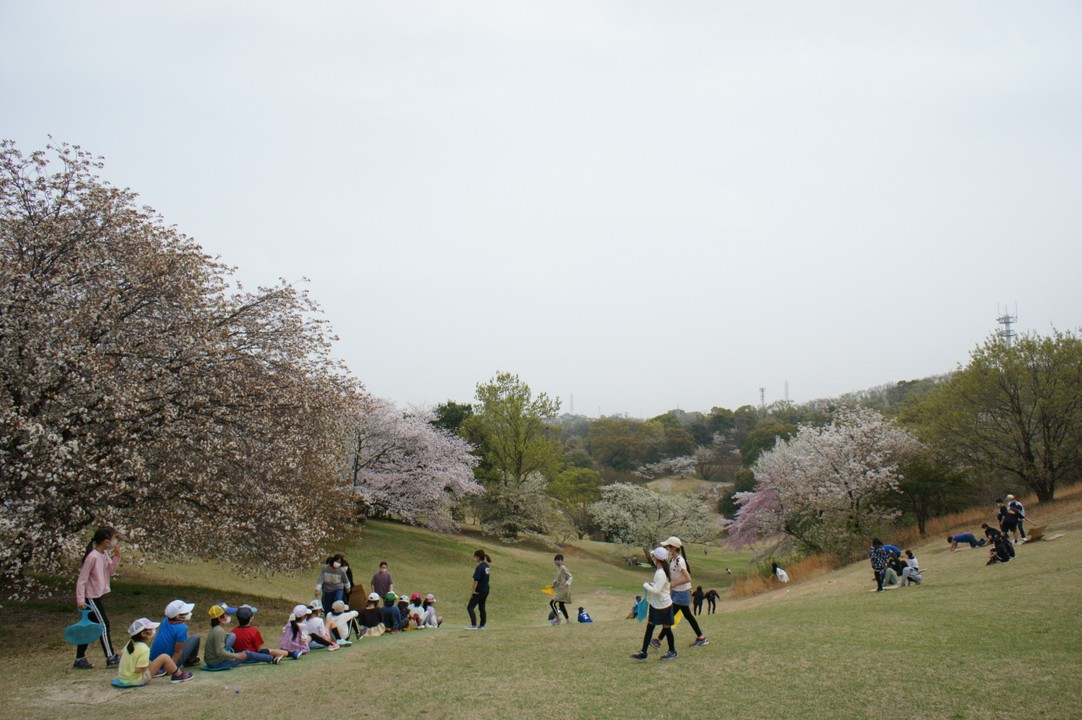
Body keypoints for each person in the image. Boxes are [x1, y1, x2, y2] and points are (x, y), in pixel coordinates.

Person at [74, 526, 122, 669]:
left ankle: (79, 658)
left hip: (97, 596)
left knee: (89, 627)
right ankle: (110, 656)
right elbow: (82, 579)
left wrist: (116, 556)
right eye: (114, 538)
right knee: (103, 625)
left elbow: (111, 571)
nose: (115, 541)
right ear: (106, 541)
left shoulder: (103, 554)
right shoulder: (93, 557)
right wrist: (80, 600)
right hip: (90, 598)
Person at [651, 537, 707, 647]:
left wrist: (674, 584)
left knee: (669, 616)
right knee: (687, 616)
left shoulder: (679, 561)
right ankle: (701, 637)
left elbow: (688, 578)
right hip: (678, 593)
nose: (665, 548)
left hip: (682, 593)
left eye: (667, 546)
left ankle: (658, 640)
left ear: (673, 548)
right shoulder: (672, 560)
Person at [631, 547, 677, 660]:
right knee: (652, 627)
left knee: (666, 628)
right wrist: (652, 584)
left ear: (656, 558)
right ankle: (644, 652)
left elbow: (657, 590)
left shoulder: (660, 573)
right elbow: (660, 586)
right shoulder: (662, 571)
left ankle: (672, 651)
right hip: (658, 604)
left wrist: (646, 585)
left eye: (653, 557)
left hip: (663, 606)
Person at [115, 618, 192, 686]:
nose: (153, 630)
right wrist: (151, 668)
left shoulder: (129, 644)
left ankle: (162, 671)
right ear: (143, 634)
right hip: (137, 679)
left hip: (124, 678)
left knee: (151, 661)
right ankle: (178, 675)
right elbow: (140, 669)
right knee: (164, 657)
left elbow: (122, 656)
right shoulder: (144, 648)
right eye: (150, 629)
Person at [204, 604, 270, 669]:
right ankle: (271, 658)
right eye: (226, 615)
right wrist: (237, 656)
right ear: (219, 618)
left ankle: (270, 658)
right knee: (247, 654)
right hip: (218, 663)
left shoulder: (214, 629)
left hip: (211, 662)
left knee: (232, 636)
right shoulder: (219, 631)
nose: (228, 616)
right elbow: (220, 652)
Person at [149, 600, 202, 669]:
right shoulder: (182, 628)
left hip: (154, 662)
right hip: (169, 663)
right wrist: (170, 669)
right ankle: (191, 660)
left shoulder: (165, 620)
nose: (188, 613)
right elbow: (177, 652)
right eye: (186, 613)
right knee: (196, 638)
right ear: (178, 617)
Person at [465, 548, 491, 630]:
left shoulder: (479, 567)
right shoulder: (487, 566)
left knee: (470, 607)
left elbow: (476, 580)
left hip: (479, 590)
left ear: (478, 557)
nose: (474, 558)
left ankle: (474, 625)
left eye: (475, 557)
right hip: (486, 589)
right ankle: (482, 625)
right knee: (482, 607)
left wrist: (473, 591)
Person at [549, 554, 572, 625]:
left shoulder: (563, 568)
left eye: (558, 560)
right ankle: (568, 621)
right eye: (555, 560)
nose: (556, 562)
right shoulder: (558, 568)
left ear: (561, 561)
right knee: (561, 606)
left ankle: (558, 619)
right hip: (560, 589)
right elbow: (556, 579)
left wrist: (566, 583)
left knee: (552, 603)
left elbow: (570, 576)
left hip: (564, 589)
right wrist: (553, 586)